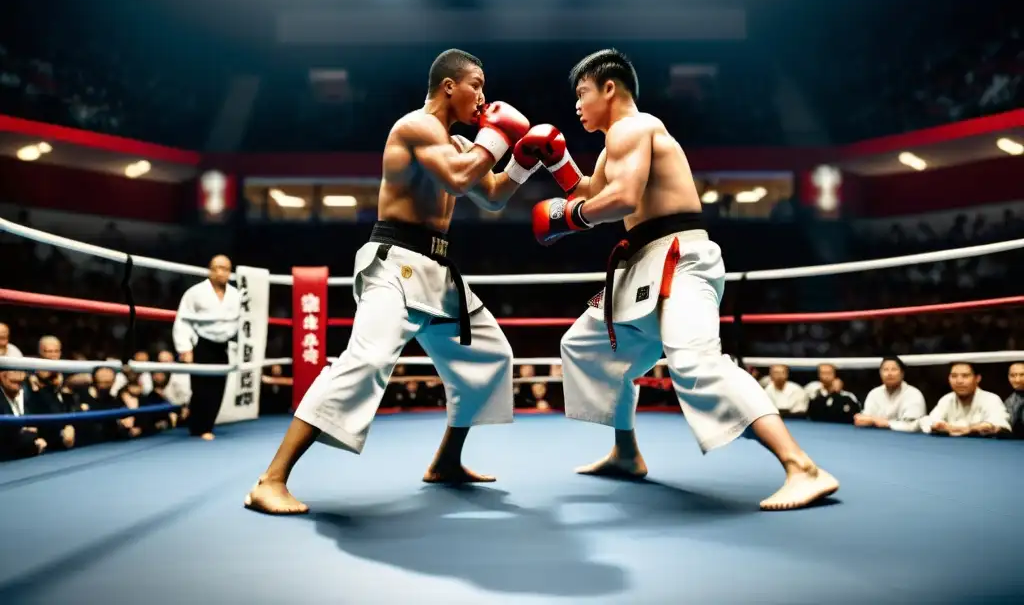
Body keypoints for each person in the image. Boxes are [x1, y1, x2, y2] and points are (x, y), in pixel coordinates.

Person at [532, 48, 838, 511]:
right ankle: (627, 452)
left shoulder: (634, 126)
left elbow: (620, 198)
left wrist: (568, 216)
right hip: (643, 264)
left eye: (582, 93)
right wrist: (555, 162)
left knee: (696, 363)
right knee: (585, 345)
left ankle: (802, 467)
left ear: (609, 87)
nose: (575, 105)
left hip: (678, 257)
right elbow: (590, 192)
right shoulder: (619, 140)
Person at [245, 48, 545, 515]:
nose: (484, 97)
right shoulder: (415, 127)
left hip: (438, 273)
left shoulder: (463, 145)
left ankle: (446, 462)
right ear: (450, 86)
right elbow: (456, 179)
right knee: (365, 361)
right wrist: (500, 135)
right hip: (395, 264)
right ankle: (271, 479)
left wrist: (525, 161)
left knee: (490, 356)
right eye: (477, 85)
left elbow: (491, 198)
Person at [172, 254, 240, 440]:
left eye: (226, 268)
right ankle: (198, 427)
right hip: (202, 343)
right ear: (210, 270)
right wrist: (185, 348)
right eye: (217, 267)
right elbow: (183, 320)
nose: (221, 272)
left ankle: (206, 426)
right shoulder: (195, 292)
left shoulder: (235, 294)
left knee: (219, 387)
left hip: (223, 346)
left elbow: (239, 322)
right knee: (201, 387)